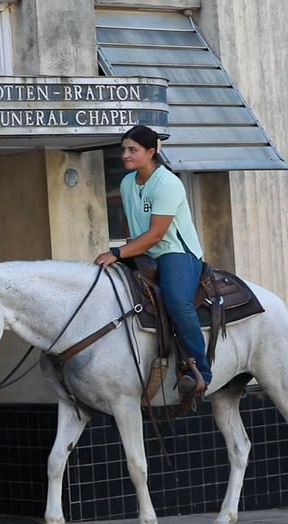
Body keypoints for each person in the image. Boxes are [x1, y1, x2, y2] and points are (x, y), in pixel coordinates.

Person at [94, 124, 211, 399]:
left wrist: (119, 253)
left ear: (151, 151)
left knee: (177, 302)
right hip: (142, 252)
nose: (125, 155)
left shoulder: (168, 183)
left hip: (174, 252)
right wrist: (126, 254)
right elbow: (131, 226)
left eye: (132, 150)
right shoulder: (126, 183)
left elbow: (157, 234)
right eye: (123, 150)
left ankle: (201, 373)